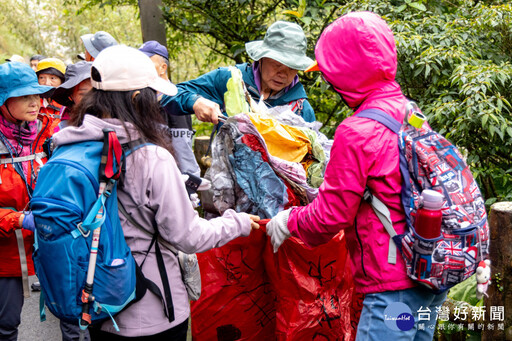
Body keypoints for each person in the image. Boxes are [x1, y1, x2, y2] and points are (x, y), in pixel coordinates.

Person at [53, 45, 260, 340]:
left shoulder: (68, 145)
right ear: (138, 98)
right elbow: (188, 237)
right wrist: (236, 222)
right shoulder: (150, 157)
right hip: (152, 308)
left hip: (99, 304)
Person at [266, 12, 447, 340]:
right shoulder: (412, 113)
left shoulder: (357, 131)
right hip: (430, 269)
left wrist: (289, 222)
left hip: (395, 287)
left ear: (346, 71)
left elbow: (330, 216)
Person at [162, 20, 316, 124]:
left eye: (292, 68)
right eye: (277, 64)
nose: (283, 74)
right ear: (261, 57)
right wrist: (195, 101)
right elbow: (168, 94)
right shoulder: (231, 80)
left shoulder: (301, 109)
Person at [0, 61, 53, 341]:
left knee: (74, 315)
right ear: (3, 100)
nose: (35, 102)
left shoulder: (45, 134)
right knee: (5, 325)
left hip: (44, 243)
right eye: (24, 96)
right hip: (5, 254)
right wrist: (18, 219)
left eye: (37, 94)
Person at [139, 40, 201, 177]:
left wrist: (191, 184)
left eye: (147, 62)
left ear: (162, 68)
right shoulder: (144, 99)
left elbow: (182, 147)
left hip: (173, 181)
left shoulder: (174, 98)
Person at [34, 57, 66, 153]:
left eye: (53, 78)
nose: (47, 83)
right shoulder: (31, 104)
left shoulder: (67, 107)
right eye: (42, 78)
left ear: (62, 81)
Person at [51, 61, 93, 128]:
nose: (92, 98)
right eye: (84, 94)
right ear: (71, 96)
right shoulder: (64, 132)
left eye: (97, 92)